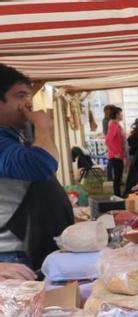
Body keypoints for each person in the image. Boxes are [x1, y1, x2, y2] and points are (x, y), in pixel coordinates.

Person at [0, 63, 72, 269]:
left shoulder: (13, 135)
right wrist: (42, 127)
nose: (28, 104)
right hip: (11, 257)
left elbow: (49, 160)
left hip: (23, 250)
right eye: (20, 96)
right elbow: (42, 165)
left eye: (28, 96)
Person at [104, 105, 126, 197]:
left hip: (119, 154)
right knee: (117, 177)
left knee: (118, 177)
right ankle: (117, 196)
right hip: (115, 156)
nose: (122, 115)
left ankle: (118, 196)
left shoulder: (116, 124)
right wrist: (115, 152)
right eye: (121, 114)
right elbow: (108, 140)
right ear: (117, 114)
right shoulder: (113, 125)